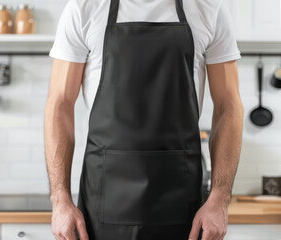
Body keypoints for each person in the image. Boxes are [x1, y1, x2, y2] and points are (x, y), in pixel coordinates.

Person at [44, 0, 243, 239]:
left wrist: (220, 199)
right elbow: (59, 105)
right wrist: (60, 200)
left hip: (181, 202)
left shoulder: (208, 9)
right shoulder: (85, 8)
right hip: (104, 203)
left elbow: (229, 108)